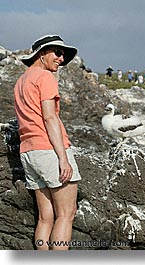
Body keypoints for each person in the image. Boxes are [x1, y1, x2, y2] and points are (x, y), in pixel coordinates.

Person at [14, 35, 81, 250]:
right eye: (57, 53)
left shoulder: (21, 81)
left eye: (63, 55)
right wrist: (63, 158)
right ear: (42, 54)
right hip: (48, 150)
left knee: (45, 218)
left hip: (28, 152)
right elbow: (50, 117)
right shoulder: (44, 77)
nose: (61, 59)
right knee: (66, 214)